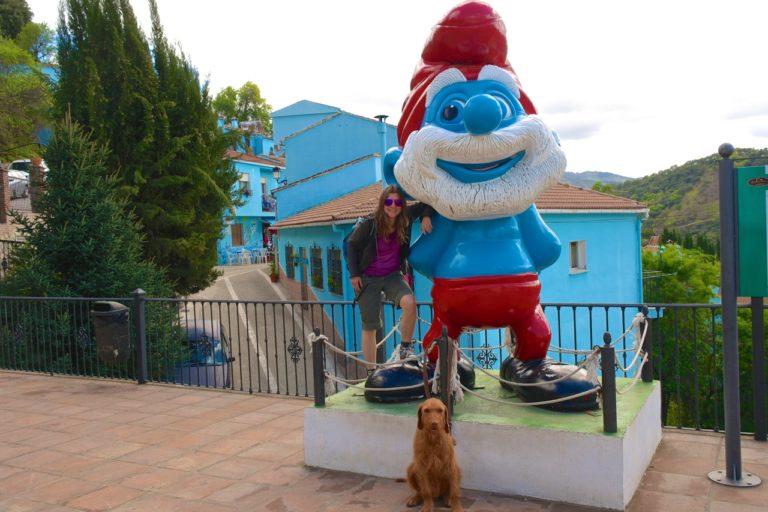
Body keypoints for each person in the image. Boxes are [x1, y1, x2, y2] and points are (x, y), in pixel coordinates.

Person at [346, 185, 433, 370]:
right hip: (367, 278)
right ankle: (371, 372)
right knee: (370, 326)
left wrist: (425, 215)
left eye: (397, 202)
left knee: (409, 302)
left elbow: (428, 202)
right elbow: (352, 245)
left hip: (392, 275)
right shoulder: (370, 224)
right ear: (382, 203)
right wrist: (354, 274)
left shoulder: (406, 217)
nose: (392, 206)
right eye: (388, 202)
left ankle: (405, 348)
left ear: (402, 204)